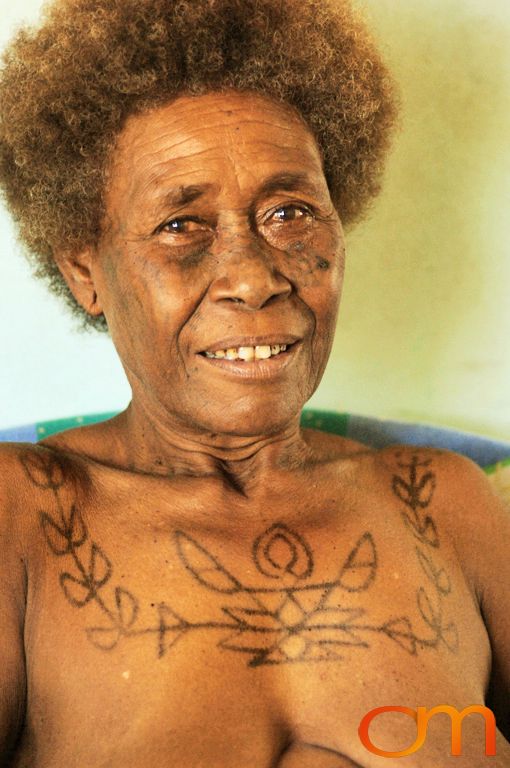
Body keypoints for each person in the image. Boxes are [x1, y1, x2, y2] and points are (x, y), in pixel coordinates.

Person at [0, 0, 508, 765]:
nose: (252, 276)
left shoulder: (447, 501)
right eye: (182, 226)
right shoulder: (23, 515)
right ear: (86, 273)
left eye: (290, 212)